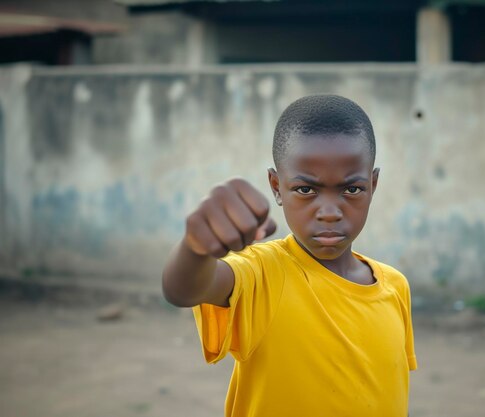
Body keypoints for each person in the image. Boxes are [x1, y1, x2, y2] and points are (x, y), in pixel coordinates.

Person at [162, 94, 417, 417]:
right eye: (306, 190)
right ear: (276, 186)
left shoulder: (395, 287)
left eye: (351, 190)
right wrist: (195, 249)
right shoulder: (264, 274)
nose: (328, 212)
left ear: (373, 184)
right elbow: (182, 290)